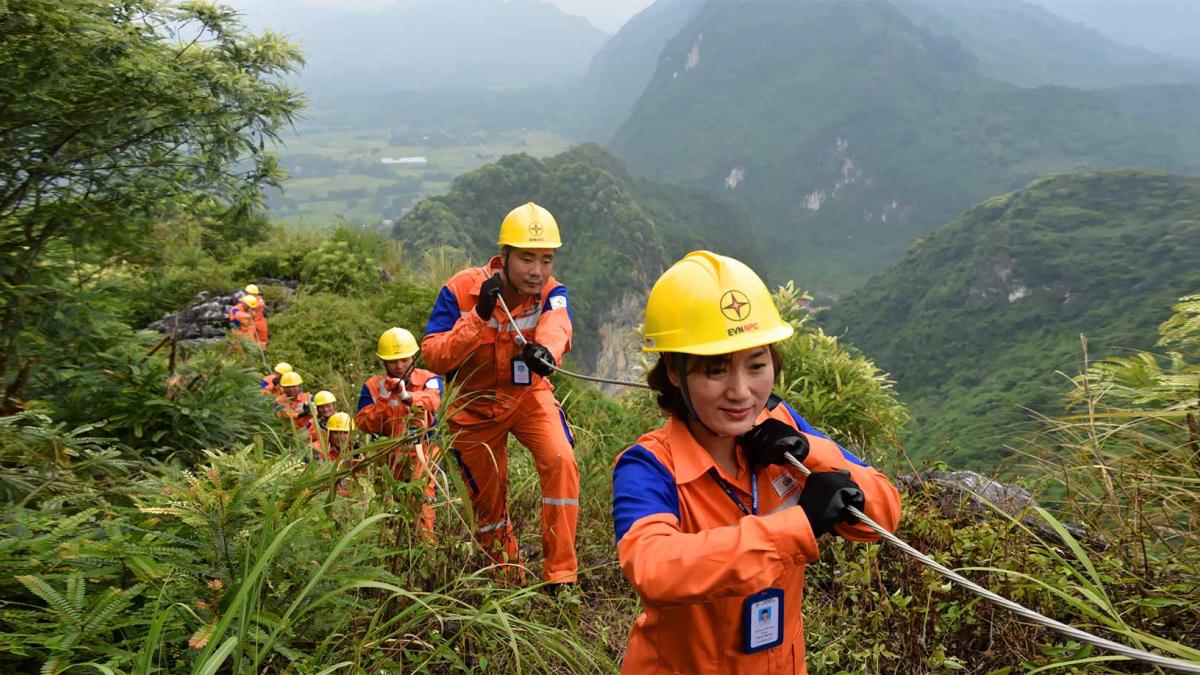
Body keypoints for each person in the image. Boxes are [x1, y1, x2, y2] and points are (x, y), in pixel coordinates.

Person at [611, 251, 903, 673]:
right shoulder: (649, 466)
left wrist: (810, 452)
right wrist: (798, 526)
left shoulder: (784, 429)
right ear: (675, 372)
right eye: (715, 371)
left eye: (757, 365)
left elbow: (884, 513)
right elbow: (655, 569)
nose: (742, 392)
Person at [422, 201, 579, 587]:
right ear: (504, 255)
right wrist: (478, 318)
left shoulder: (552, 292)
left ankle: (561, 576)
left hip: (528, 396)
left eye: (546, 260)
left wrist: (547, 350)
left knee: (561, 460)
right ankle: (507, 577)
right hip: (472, 407)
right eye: (527, 259)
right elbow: (433, 355)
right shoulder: (462, 290)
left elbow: (557, 323)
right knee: (488, 505)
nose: (537, 271)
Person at [355, 327, 443, 533]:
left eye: (404, 359)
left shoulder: (429, 379)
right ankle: (395, 550)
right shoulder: (373, 386)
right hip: (389, 453)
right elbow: (363, 423)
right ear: (384, 361)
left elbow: (432, 401)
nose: (400, 365)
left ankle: (425, 549)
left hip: (424, 451)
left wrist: (406, 397)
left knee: (423, 499)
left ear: (413, 356)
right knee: (391, 504)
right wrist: (386, 401)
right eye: (393, 361)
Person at [274, 370, 315, 442]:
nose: (291, 389)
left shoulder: (309, 398)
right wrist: (302, 413)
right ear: (283, 387)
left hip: (308, 432)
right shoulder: (278, 401)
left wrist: (312, 410)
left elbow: (318, 413)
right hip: (288, 434)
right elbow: (282, 414)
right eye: (288, 387)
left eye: (294, 386)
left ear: (299, 386)